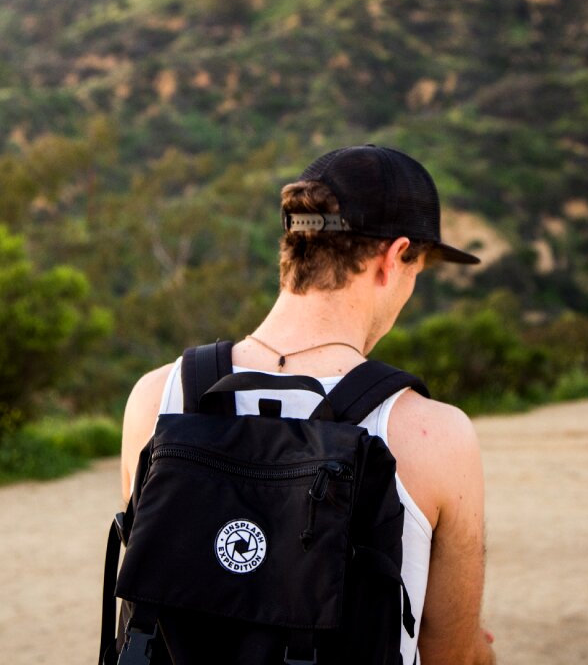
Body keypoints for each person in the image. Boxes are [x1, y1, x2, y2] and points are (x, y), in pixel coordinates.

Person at [121, 144, 496, 665]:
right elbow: (449, 655)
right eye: (418, 270)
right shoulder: (434, 433)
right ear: (393, 259)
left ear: (294, 244)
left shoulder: (159, 397)